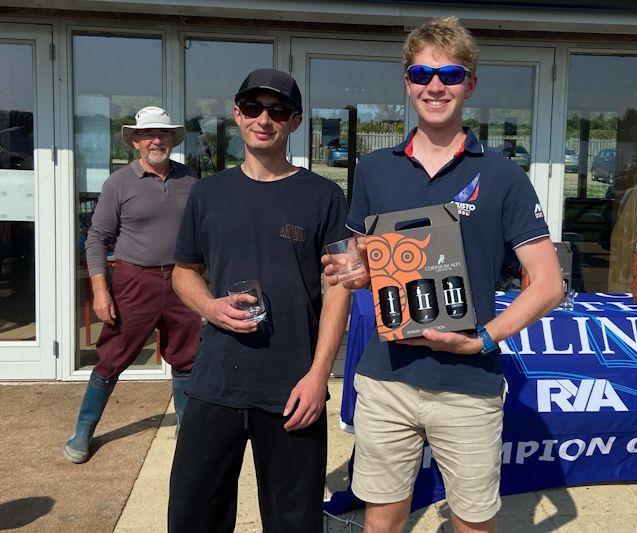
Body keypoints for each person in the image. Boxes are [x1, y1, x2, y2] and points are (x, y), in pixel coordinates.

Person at [324, 17, 562, 533]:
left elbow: (548, 284)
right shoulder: (374, 169)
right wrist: (355, 270)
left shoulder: (502, 175)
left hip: (467, 384)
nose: (436, 85)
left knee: (474, 522)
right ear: (407, 82)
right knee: (381, 518)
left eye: (450, 74)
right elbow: (361, 257)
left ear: (470, 84)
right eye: (422, 73)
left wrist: (481, 341)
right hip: (386, 377)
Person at [167, 68, 352, 532]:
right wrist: (209, 307)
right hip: (215, 381)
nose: (263, 119)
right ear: (237, 115)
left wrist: (318, 375)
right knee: (193, 515)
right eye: (253, 108)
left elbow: (338, 289)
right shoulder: (208, 194)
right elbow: (183, 272)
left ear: (295, 121)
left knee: (294, 522)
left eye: (278, 110)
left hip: (293, 387)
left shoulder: (323, 196)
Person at [64, 107, 201, 464]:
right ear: (136, 141)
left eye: (164, 134)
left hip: (183, 281)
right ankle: (83, 432)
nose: (157, 140)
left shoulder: (191, 181)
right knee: (111, 359)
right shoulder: (118, 183)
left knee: (187, 359)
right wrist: (99, 289)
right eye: (149, 135)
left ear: (172, 139)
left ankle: (188, 433)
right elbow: (97, 239)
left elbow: (206, 233)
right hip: (133, 281)